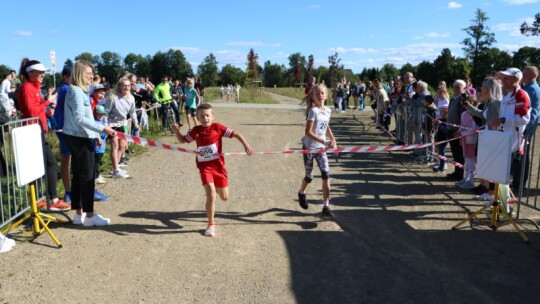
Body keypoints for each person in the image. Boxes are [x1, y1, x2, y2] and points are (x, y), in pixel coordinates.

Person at [171, 103, 253, 236]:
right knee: (211, 194)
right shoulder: (196, 131)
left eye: (207, 115)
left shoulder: (217, 128)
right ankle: (211, 224)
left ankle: (214, 194)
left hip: (219, 167)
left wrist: (246, 145)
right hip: (205, 168)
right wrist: (176, 132)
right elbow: (183, 140)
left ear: (212, 116)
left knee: (224, 197)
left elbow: (236, 134)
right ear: (197, 118)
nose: (205, 118)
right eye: (202, 116)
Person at [63, 60, 116, 226]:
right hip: (79, 138)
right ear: (79, 74)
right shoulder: (77, 92)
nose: (92, 77)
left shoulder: (79, 92)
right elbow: (80, 118)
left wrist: (95, 133)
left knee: (79, 176)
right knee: (87, 177)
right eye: (88, 74)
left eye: (92, 74)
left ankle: (79, 215)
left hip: (80, 136)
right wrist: (102, 128)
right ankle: (90, 216)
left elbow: (84, 119)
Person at [18, 58, 70, 211]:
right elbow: (31, 111)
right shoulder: (27, 88)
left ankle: (46, 198)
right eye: (40, 72)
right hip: (31, 132)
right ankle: (50, 198)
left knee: (47, 164)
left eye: (43, 72)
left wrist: (47, 110)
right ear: (30, 72)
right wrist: (47, 101)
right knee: (50, 164)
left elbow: (36, 109)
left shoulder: (33, 87)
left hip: (36, 130)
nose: (43, 75)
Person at [297, 84, 337, 219]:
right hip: (309, 147)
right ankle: (302, 192)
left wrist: (333, 140)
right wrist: (324, 141)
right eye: (317, 94)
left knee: (326, 174)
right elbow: (307, 132)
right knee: (309, 176)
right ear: (313, 97)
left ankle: (326, 206)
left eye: (322, 93)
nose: (320, 96)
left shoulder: (328, 111)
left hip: (321, 149)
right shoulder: (313, 111)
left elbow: (326, 126)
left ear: (326, 96)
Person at [462, 77, 501, 198]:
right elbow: (482, 115)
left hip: (493, 139)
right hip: (486, 137)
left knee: (493, 168)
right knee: (488, 167)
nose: (481, 88)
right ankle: (489, 193)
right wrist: (469, 106)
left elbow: (498, 123)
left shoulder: (497, 103)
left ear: (489, 88)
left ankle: (493, 195)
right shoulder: (488, 102)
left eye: (483, 86)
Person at [496, 68, 531, 193]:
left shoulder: (521, 95)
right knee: (501, 174)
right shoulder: (506, 96)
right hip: (503, 139)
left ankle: (504, 205)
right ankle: (498, 201)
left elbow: (523, 119)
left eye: (506, 78)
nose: (503, 80)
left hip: (514, 143)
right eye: (503, 78)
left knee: (507, 175)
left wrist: (503, 120)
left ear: (516, 79)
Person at [511, 66, 540, 191]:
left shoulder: (531, 89)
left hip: (525, 128)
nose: (523, 75)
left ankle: (519, 183)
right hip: (525, 127)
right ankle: (518, 181)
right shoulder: (529, 88)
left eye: (526, 73)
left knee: (522, 156)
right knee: (521, 155)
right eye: (523, 73)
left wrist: (525, 129)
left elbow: (532, 111)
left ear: (534, 75)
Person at [105, 76, 139, 178]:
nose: (127, 88)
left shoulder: (131, 98)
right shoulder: (113, 98)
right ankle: (115, 170)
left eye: (128, 86)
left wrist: (136, 123)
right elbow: (106, 112)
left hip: (122, 123)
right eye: (124, 86)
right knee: (115, 144)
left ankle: (116, 167)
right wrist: (105, 126)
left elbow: (132, 112)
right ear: (120, 87)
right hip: (112, 124)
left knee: (123, 146)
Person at [53, 66, 73, 203]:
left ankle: (69, 191)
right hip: (65, 128)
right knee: (67, 159)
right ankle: (69, 191)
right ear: (65, 77)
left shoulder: (65, 88)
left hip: (63, 127)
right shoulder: (66, 89)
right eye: (72, 76)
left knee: (67, 159)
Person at [445, 80, 467, 181]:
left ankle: (459, 174)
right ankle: (457, 172)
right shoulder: (453, 98)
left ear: (463, 88)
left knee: (459, 154)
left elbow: (463, 116)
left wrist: (459, 129)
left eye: (459, 87)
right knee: (455, 153)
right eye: (455, 87)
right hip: (450, 128)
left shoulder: (463, 98)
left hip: (457, 130)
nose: (456, 89)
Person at [93, 105, 109, 201]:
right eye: (100, 114)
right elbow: (102, 133)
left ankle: (97, 175)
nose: (101, 116)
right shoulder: (95, 122)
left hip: (101, 148)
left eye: (102, 114)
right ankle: (95, 177)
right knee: (95, 164)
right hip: (96, 148)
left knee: (97, 163)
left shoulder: (102, 121)